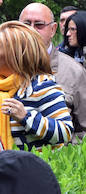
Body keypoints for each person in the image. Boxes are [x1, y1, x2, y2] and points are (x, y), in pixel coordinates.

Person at [19, 3, 86, 142]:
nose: (31, 30)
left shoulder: (74, 71)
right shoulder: (5, 65)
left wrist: (63, 152)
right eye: (26, 24)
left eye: (39, 25)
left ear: (53, 29)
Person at [0, 21, 73, 150]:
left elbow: (65, 132)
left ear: (16, 54)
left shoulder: (41, 86)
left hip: (32, 168)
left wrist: (26, 117)